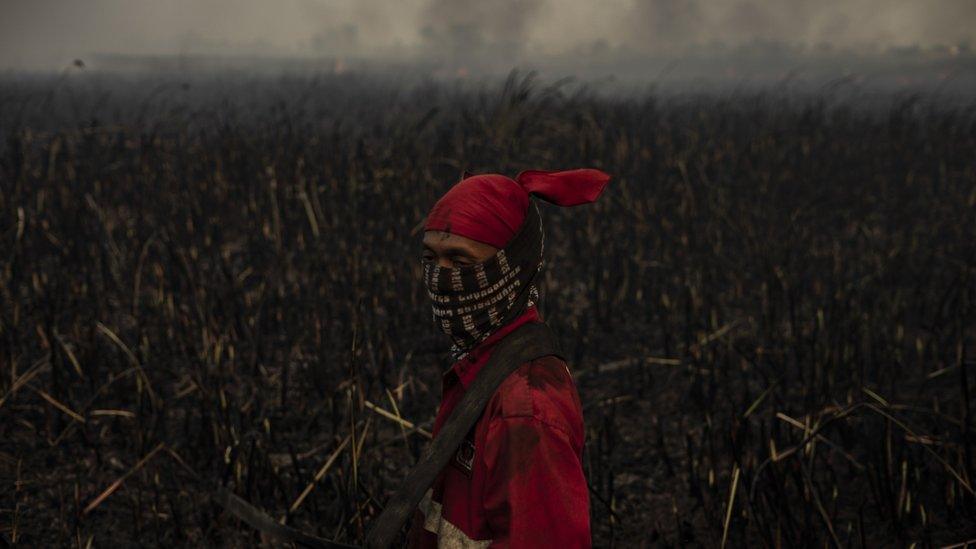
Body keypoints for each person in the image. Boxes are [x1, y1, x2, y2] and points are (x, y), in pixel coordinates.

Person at [407, 168, 611, 548]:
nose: (442, 278)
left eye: (462, 262)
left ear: (514, 269)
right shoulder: (478, 368)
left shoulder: (525, 407)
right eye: (431, 258)